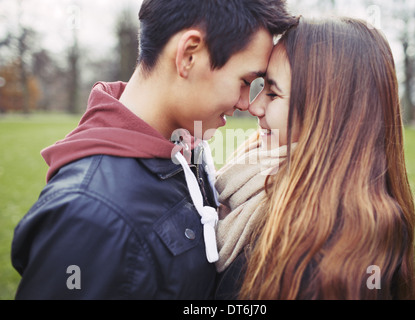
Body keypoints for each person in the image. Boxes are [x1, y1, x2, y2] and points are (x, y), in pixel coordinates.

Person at [11, 0, 298, 299]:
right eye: (245, 81)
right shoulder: (91, 215)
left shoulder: (185, 150)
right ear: (189, 55)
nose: (245, 103)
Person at [215, 16, 415, 300]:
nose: (254, 105)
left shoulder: (324, 253)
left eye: (273, 93)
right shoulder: (254, 176)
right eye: (261, 87)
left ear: (327, 113)